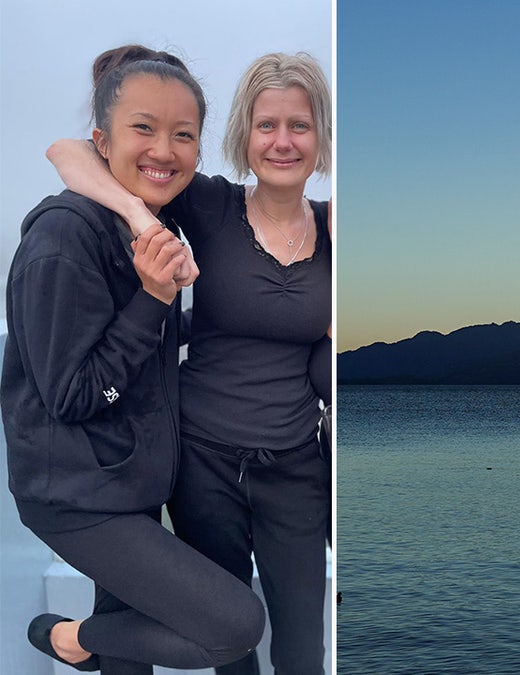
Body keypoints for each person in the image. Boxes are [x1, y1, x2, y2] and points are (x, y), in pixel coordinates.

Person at [50, 51, 333, 675]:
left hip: (295, 467)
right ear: (243, 136)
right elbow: (67, 153)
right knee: (232, 644)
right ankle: (78, 639)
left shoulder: (337, 227)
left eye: (300, 126)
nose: (282, 142)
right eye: (266, 125)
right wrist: (136, 215)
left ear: (321, 138)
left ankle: (80, 641)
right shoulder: (209, 206)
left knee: (303, 648)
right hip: (201, 461)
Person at [3, 45, 265, 673]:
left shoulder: (145, 224)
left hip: (129, 474)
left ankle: (95, 642)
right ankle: (70, 641)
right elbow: (73, 396)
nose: (163, 150)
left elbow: (138, 347)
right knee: (235, 627)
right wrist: (153, 299)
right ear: (102, 140)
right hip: (77, 494)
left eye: (183, 135)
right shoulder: (64, 240)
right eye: (142, 128)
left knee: (133, 641)